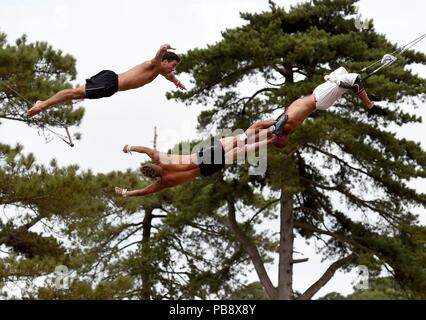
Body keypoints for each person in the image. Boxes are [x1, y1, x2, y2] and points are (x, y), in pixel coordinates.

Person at [114, 119, 279, 197]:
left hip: (208, 168)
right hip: (204, 156)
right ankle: (274, 125)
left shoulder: (163, 182)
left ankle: (271, 139)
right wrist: (129, 148)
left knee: (243, 151)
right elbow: (145, 150)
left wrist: (126, 193)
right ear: (154, 164)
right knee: (241, 138)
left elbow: (145, 191)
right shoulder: (162, 158)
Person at [26, 44, 186, 118]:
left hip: (111, 87)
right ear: (165, 61)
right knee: (74, 93)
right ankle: (42, 104)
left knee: (75, 96)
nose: (173, 69)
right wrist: (162, 49)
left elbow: (170, 76)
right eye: (172, 65)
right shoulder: (154, 65)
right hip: (111, 82)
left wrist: (176, 82)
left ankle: (43, 103)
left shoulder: (162, 72)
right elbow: (156, 58)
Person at [270, 66, 383, 148]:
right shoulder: (286, 128)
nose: (286, 139)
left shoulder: (283, 126)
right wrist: (275, 132)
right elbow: (281, 122)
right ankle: (369, 105)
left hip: (318, 94)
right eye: (284, 141)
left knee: (342, 71)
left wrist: (274, 132)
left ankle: (364, 95)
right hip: (320, 99)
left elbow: (279, 122)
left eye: (284, 141)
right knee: (353, 79)